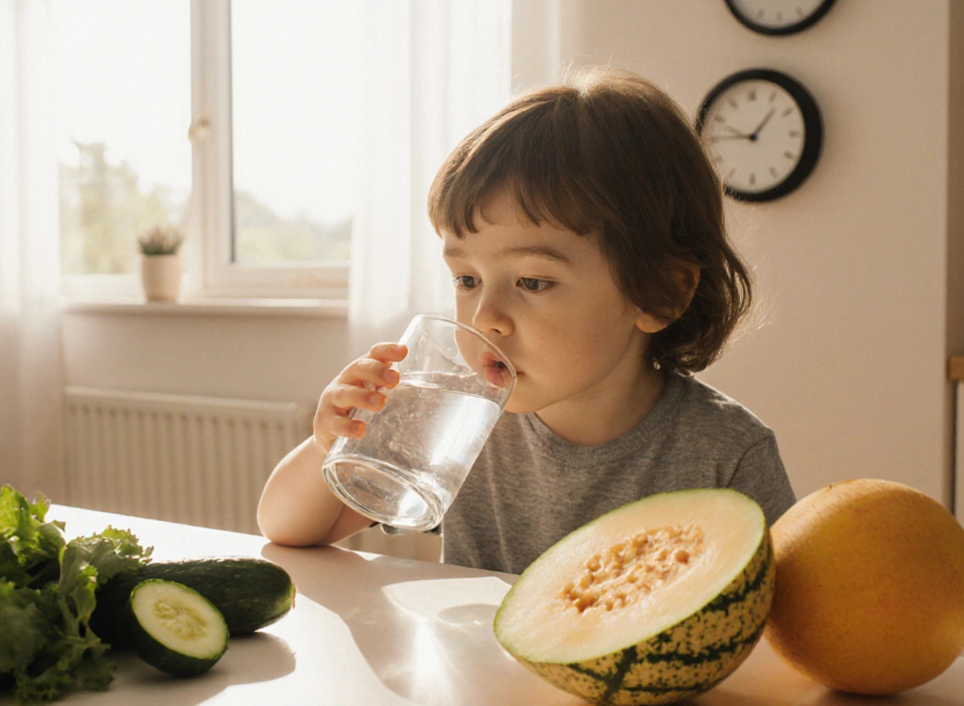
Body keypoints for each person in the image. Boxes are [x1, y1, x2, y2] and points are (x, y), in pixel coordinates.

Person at [257, 68, 795, 574]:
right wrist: (329, 444)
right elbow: (291, 529)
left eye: (533, 282)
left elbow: (779, 628)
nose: (486, 318)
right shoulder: (458, 421)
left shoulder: (727, 455)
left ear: (661, 294)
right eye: (466, 280)